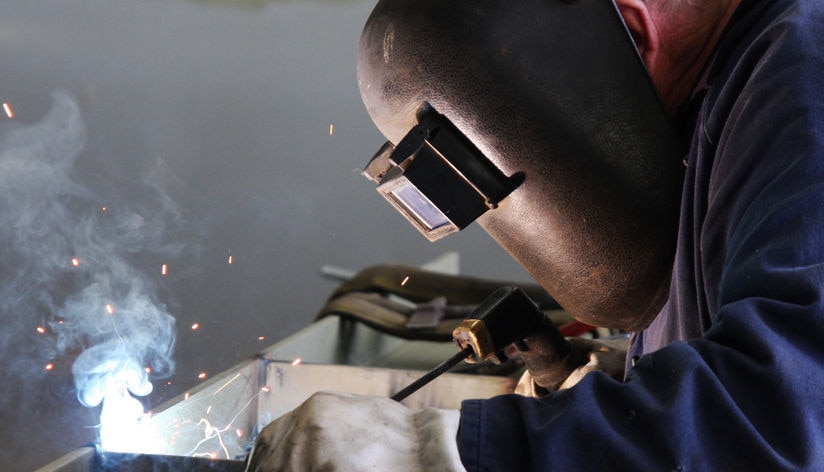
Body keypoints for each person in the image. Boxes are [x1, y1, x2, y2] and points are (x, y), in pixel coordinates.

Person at [248, 0, 824, 469]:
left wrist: (429, 452)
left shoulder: (803, 70)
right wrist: (596, 379)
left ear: (628, 30)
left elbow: (782, 422)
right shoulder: (708, 94)